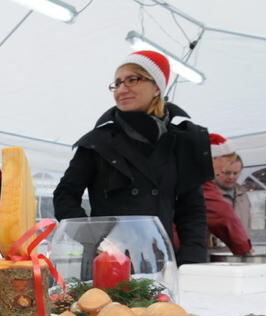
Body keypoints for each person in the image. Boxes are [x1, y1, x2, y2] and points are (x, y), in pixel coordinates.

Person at [52, 50, 212, 265]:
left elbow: (192, 211)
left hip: (160, 261)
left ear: (157, 87)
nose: (121, 89)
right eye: (117, 83)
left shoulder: (183, 141)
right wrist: (93, 239)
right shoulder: (98, 142)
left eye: (132, 80)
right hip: (108, 262)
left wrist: (191, 261)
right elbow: (65, 195)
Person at [204, 134, 252, 255]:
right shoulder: (204, 186)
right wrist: (245, 251)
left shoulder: (243, 195)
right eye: (226, 171)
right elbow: (223, 217)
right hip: (214, 253)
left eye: (235, 173)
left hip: (235, 250)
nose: (231, 177)